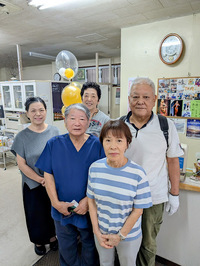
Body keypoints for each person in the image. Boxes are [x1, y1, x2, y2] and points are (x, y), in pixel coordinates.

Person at [121, 77, 184, 266]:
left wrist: (174, 194)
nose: (140, 101)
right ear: (129, 98)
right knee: (123, 240)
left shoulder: (165, 126)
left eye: (146, 97)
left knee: (148, 244)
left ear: (154, 99)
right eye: (136, 96)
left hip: (153, 197)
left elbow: (173, 161)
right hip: (124, 197)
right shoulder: (118, 125)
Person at [35, 103, 105, 266]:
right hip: (61, 208)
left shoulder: (97, 145)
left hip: (89, 208)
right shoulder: (53, 144)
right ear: (65, 121)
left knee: (90, 244)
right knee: (66, 245)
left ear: (89, 122)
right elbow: (48, 173)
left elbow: (102, 177)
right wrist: (55, 203)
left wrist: (87, 201)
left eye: (82, 119)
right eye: (72, 118)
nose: (77, 123)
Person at [87, 120, 152, 266]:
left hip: (129, 235)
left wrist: (120, 236)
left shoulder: (138, 173)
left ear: (127, 144)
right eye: (108, 140)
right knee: (104, 263)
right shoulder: (95, 168)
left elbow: (138, 211)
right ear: (102, 142)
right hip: (102, 232)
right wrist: (96, 231)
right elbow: (91, 201)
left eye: (119, 140)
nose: (113, 146)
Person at [11, 97, 59, 256]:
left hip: (52, 181)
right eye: (33, 111)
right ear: (27, 113)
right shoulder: (21, 137)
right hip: (32, 183)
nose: (38, 114)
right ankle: (38, 242)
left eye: (41, 110)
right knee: (35, 215)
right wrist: (40, 179)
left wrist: (51, 179)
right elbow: (22, 164)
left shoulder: (54, 131)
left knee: (51, 211)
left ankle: (53, 238)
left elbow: (59, 157)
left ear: (46, 111)